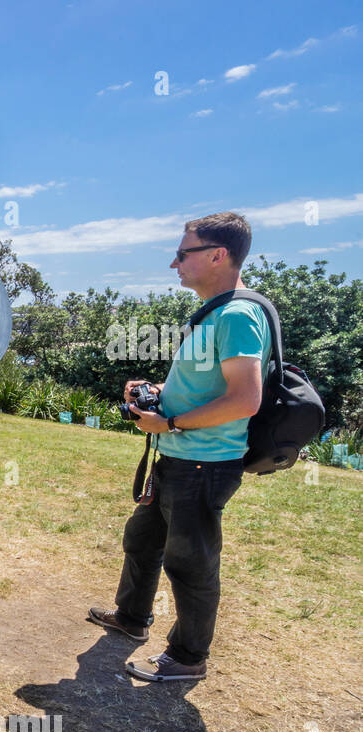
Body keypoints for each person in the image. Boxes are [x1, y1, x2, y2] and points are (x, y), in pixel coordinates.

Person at [89, 212, 270, 683]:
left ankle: (189, 658)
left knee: (190, 563)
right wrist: (156, 393)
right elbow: (208, 385)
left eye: (183, 253)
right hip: (180, 457)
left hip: (203, 464)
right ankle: (131, 619)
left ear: (217, 255)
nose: (174, 263)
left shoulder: (236, 315)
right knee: (143, 541)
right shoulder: (217, 310)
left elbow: (245, 399)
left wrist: (168, 422)